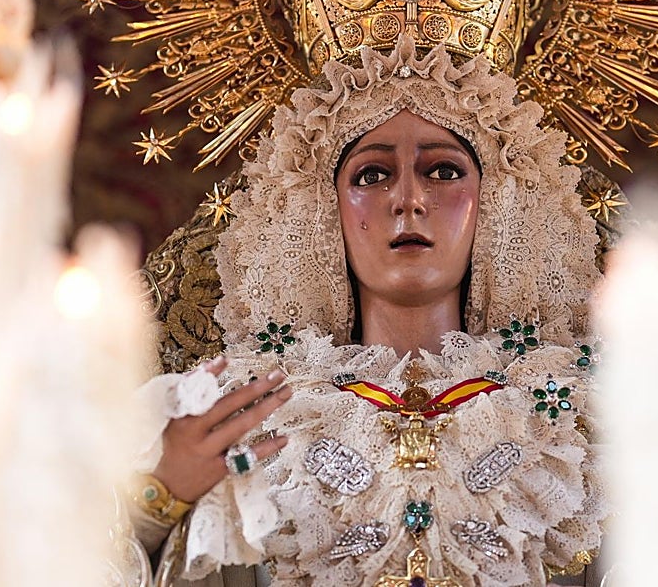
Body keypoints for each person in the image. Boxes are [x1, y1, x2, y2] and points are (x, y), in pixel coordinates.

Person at [114, 39, 607, 587]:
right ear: (323, 211)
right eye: (372, 175)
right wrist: (158, 503)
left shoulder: (576, 415)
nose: (408, 199)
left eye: (444, 171)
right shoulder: (250, 416)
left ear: (497, 203)